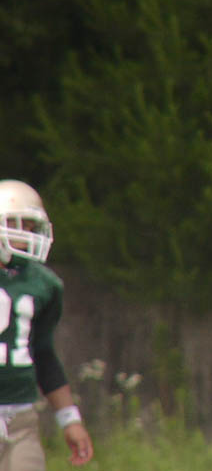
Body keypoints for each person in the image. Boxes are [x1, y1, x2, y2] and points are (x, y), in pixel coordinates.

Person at [0, 179, 93, 469]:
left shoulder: (43, 284)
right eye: (19, 225)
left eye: (31, 227)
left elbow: (43, 353)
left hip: (19, 419)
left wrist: (69, 418)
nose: (27, 234)